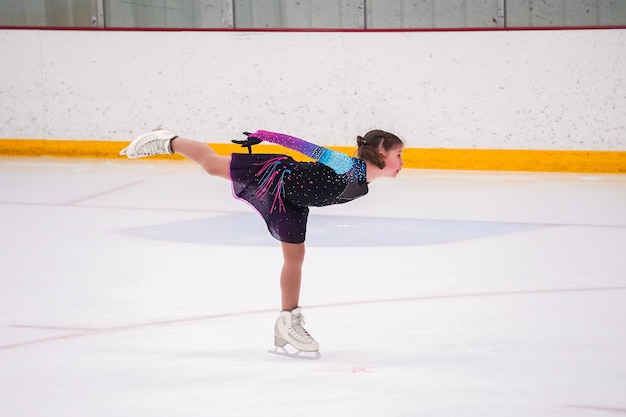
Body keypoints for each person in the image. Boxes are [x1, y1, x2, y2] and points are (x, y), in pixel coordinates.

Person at [120, 128, 404, 359]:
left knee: (295, 258)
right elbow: (304, 146)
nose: (402, 162)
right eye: (399, 155)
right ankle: (168, 140)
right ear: (381, 154)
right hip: (276, 176)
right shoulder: (349, 167)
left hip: (292, 202)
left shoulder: (364, 182)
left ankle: (287, 322)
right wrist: (263, 135)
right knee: (211, 165)